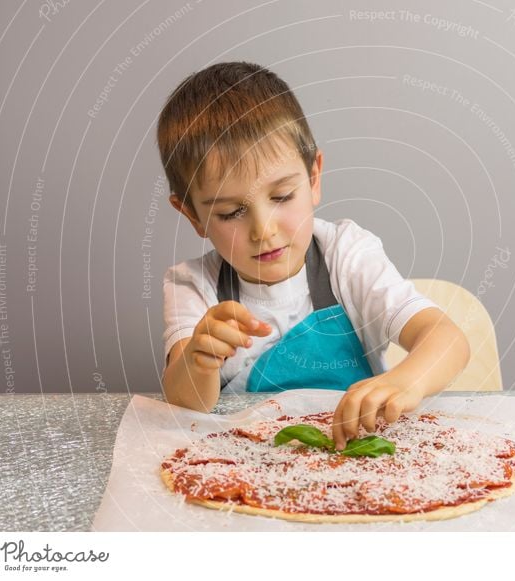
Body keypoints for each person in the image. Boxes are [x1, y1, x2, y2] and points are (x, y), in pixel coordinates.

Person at [157, 61, 470, 450]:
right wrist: (199, 359)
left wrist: (405, 382)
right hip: (244, 467)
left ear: (314, 178)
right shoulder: (194, 286)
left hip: (358, 456)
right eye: (230, 212)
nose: (263, 230)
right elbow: (185, 403)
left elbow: (448, 340)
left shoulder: (346, 256)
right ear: (192, 215)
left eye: (282, 197)